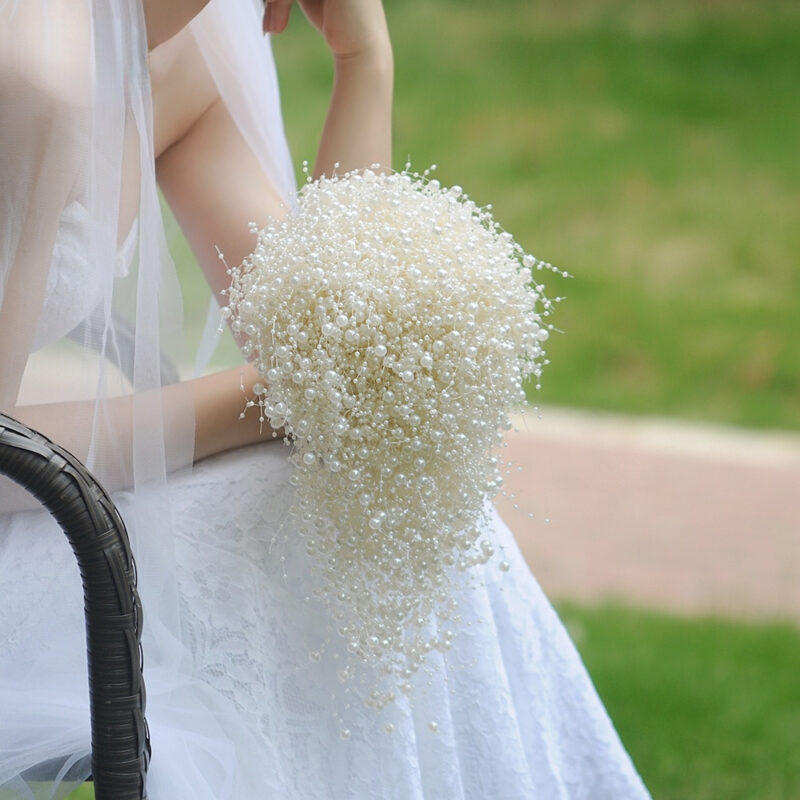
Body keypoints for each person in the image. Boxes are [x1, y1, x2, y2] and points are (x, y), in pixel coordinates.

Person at [0, 0, 652, 797]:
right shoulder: (32, 75)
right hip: (28, 512)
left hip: (47, 508)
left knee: (375, 515)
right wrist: (260, 402)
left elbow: (345, 334)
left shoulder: (180, 62)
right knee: (312, 537)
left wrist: (363, 61)